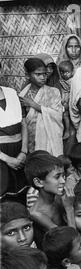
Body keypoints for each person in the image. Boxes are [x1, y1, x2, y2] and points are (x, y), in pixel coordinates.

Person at [19, 58, 64, 156]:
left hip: (49, 141)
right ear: (28, 75)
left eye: (44, 74)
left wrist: (33, 105)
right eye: (38, 74)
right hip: (30, 141)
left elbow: (58, 115)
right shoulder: (23, 94)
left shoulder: (53, 92)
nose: (43, 77)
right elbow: (22, 121)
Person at [24, 153, 67, 249]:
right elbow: (67, 239)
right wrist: (69, 208)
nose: (63, 181)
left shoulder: (58, 197)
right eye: (57, 177)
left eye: (63, 176)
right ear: (39, 182)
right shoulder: (36, 213)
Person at [0, 61, 28, 196]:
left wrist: (23, 152)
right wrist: (7, 159)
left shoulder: (11, 93)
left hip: (18, 152)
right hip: (2, 156)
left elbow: (23, 123)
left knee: (20, 192)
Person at [56, 60, 76, 155]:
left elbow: (73, 92)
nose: (65, 74)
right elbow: (63, 91)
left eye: (67, 72)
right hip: (66, 99)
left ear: (72, 71)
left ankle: (68, 130)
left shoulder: (74, 81)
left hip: (72, 100)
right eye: (62, 72)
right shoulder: (62, 81)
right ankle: (67, 130)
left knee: (67, 114)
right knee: (65, 114)